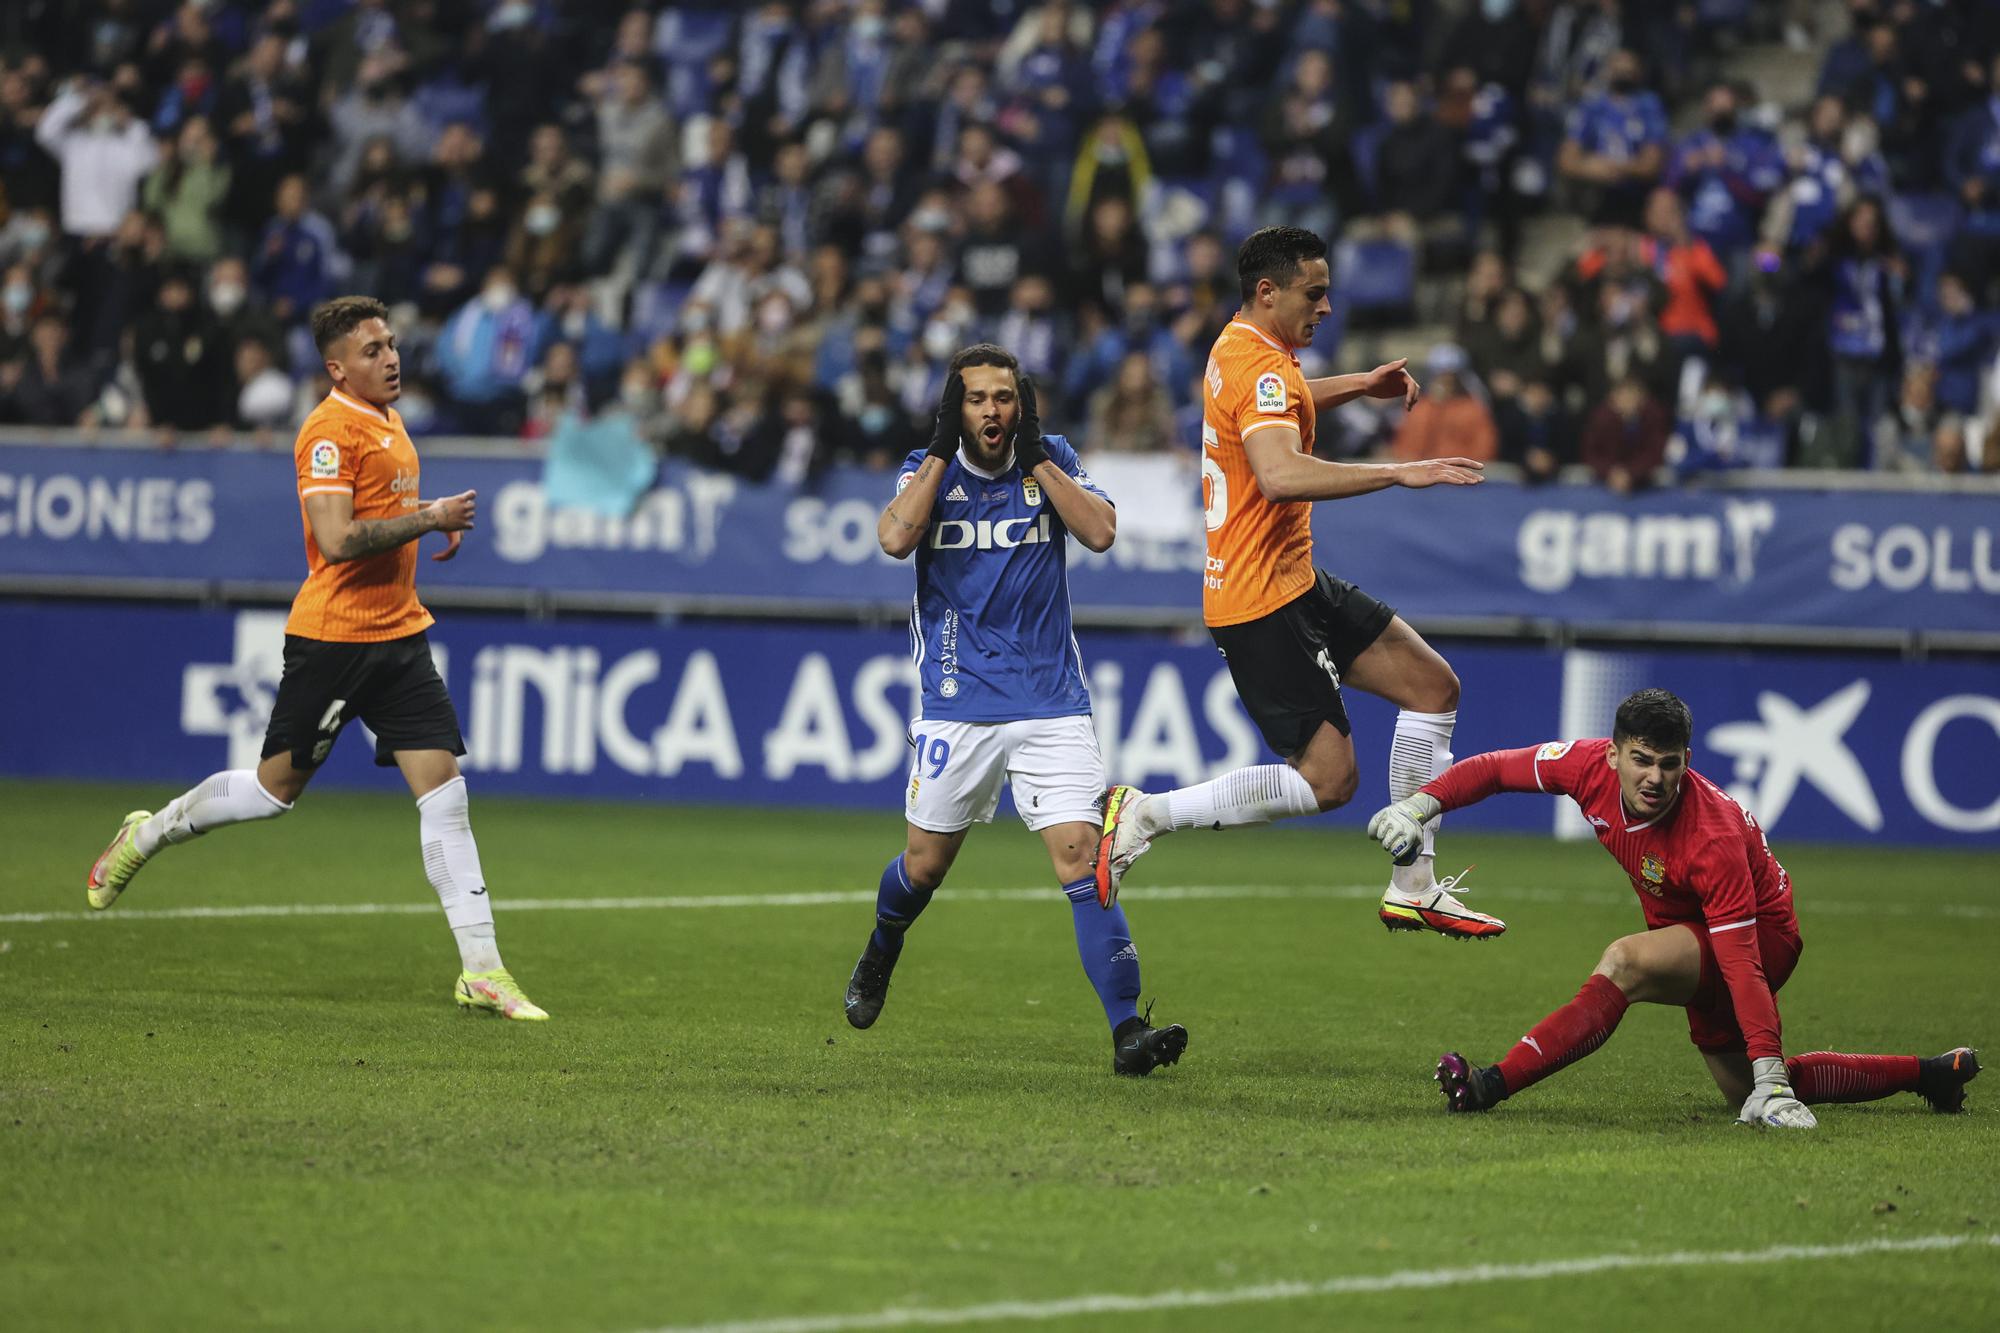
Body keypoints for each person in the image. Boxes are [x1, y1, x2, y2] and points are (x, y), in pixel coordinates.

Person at [85, 296, 548, 1023]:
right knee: (274, 793)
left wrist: (421, 519)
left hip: (398, 636)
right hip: (335, 640)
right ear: (337, 367)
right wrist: (427, 519)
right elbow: (335, 540)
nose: (391, 357)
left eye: (391, 343)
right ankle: (146, 832)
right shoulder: (326, 432)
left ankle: (482, 972)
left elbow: (379, 505)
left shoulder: (388, 419)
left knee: (445, 794)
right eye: (372, 350)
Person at [1095, 225, 1499, 941]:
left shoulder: (1238, 345)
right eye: (1315, 294)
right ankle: (1146, 814)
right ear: (1267, 291)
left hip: (1293, 580)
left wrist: (1358, 385)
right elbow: (1280, 474)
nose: (1328, 307)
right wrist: (1398, 470)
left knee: (1434, 686)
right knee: (1330, 780)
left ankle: (1415, 885)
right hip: (1259, 602)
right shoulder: (1263, 368)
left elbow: (1278, 399)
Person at [1365, 688, 1978, 1125]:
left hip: (1761, 938)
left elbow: (1742, 961)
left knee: (1626, 964)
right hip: (1693, 932)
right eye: (1641, 760)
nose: (1654, 778)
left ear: (1686, 760)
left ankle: (1486, 1087)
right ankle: (1930, 1074)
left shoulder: (1711, 837)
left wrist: (1769, 1072)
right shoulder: (1585, 767)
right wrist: (1417, 808)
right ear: (1613, 755)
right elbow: (1496, 769)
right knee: (1741, 1091)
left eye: (1670, 763)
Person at [843, 343, 1189, 1077]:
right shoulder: (928, 467)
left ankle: (1128, 1030)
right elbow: (895, 537)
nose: (992, 411)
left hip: (1051, 702)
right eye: (976, 399)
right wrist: (938, 450)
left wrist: (1038, 458)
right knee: (924, 865)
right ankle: (882, 946)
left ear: (1021, 403)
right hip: (956, 703)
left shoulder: (1051, 456)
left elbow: (1099, 531)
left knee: (1082, 861)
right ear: (954, 408)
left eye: (1004, 397)